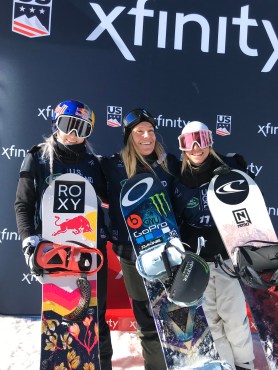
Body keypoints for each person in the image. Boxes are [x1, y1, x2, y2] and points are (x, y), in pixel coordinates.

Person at [14, 99, 113, 370]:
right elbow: (24, 203)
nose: (73, 134)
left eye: (82, 129)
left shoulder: (94, 164)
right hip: (55, 252)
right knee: (60, 315)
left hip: (90, 252)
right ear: (55, 123)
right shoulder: (38, 157)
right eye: (67, 125)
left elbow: (109, 200)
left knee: (94, 316)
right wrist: (29, 241)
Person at [99, 108, 181, 370]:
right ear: (128, 137)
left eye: (151, 131)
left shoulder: (169, 163)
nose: (147, 136)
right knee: (146, 318)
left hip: (169, 253)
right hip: (132, 255)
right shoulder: (112, 166)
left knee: (175, 315)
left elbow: (197, 177)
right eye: (139, 132)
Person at [175, 121, 255, 370]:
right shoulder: (177, 177)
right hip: (197, 263)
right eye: (189, 142)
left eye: (202, 140)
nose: (197, 148)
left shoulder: (229, 167)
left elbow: (250, 200)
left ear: (211, 142)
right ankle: (224, 365)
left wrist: (237, 174)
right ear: (183, 147)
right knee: (210, 320)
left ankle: (244, 364)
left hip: (226, 258)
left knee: (233, 317)